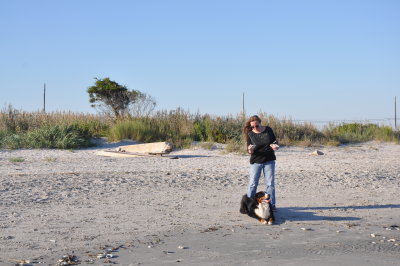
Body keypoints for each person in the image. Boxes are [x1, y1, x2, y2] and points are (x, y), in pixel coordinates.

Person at [243, 115, 279, 210]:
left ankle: (271, 205)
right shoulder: (250, 133)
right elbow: (249, 150)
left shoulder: (268, 130)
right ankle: (250, 205)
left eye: (257, 126)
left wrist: (275, 146)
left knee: (270, 184)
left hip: (269, 160)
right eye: (252, 126)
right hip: (256, 161)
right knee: (253, 184)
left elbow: (275, 142)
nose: (255, 128)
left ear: (260, 123)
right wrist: (250, 150)